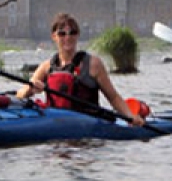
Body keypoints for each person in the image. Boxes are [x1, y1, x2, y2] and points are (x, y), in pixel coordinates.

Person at [16, 12, 145, 126]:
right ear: (54, 36)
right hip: (55, 124)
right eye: (62, 33)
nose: (68, 37)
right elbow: (20, 94)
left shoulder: (93, 64)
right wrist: (31, 89)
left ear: (78, 35)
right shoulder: (47, 67)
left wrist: (129, 116)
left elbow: (113, 97)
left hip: (87, 125)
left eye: (72, 32)